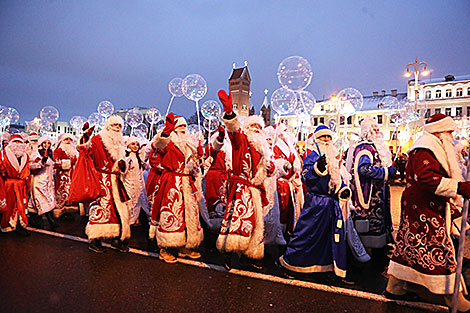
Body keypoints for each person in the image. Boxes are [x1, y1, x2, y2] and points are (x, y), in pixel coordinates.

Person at [386, 113, 470, 311]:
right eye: (449, 131)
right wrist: (458, 187)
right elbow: (426, 178)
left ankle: (395, 286)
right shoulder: (425, 148)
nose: (451, 135)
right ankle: (452, 296)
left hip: (424, 206)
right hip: (424, 208)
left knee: (409, 246)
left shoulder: (432, 146)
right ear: (439, 132)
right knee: (438, 249)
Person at [279, 125, 351, 277]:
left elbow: (337, 178)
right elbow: (306, 177)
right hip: (316, 203)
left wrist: (343, 189)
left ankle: (324, 267)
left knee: (327, 237)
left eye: (329, 137)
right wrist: (317, 168)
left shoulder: (332, 157)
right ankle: (292, 263)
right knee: (306, 234)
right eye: (322, 137)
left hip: (331, 204)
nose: (326, 140)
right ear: (316, 140)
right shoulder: (311, 156)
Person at [216, 90, 275, 266]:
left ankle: (250, 253)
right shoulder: (241, 141)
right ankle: (232, 254)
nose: (256, 130)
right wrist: (229, 113)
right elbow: (233, 131)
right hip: (242, 189)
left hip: (256, 190)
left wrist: (269, 169)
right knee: (237, 221)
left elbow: (268, 169)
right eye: (253, 127)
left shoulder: (264, 150)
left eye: (259, 128)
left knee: (254, 224)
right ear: (247, 129)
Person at [149, 113, 203, 263]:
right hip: (172, 181)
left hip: (187, 182)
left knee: (188, 215)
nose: (183, 129)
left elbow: (194, 164)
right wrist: (166, 131)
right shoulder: (168, 142)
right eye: (180, 126)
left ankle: (184, 245)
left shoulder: (189, 144)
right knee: (171, 212)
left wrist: (198, 160)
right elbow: (157, 146)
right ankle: (164, 247)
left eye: (185, 126)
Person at [78, 115, 130, 253]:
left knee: (116, 210)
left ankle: (115, 238)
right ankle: (95, 239)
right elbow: (86, 150)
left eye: (119, 126)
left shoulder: (120, 143)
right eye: (114, 125)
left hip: (115, 180)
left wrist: (122, 165)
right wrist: (85, 137)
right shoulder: (98, 139)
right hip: (101, 179)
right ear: (108, 126)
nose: (117, 128)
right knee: (100, 209)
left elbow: (123, 162)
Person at [348, 116, 395, 249]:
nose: (377, 130)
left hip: (378, 192)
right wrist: (386, 172)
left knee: (380, 219)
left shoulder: (374, 147)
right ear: (366, 131)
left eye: (377, 127)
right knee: (372, 223)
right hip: (370, 193)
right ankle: (370, 249)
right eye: (373, 128)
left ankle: (381, 243)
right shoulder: (365, 148)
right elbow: (364, 169)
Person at [273, 123, 303, 235]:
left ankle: (290, 231)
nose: (287, 133)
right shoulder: (275, 148)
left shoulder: (291, 149)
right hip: (281, 185)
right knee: (282, 211)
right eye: (284, 131)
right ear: (280, 135)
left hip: (291, 185)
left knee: (291, 209)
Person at [0, 134, 31, 235]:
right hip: (8, 184)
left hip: (21, 185)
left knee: (21, 205)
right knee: (9, 205)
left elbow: (27, 170)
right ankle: (6, 224)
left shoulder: (25, 156)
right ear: (10, 143)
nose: (17, 144)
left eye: (19, 142)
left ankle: (19, 225)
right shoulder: (3, 154)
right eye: (15, 142)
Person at [28, 136, 58, 228]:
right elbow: (32, 166)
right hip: (39, 181)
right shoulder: (36, 154)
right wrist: (41, 163)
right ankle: (51, 221)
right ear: (40, 144)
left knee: (44, 201)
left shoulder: (49, 153)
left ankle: (33, 220)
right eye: (44, 143)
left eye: (48, 143)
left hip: (48, 182)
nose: (46, 145)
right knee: (43, 200)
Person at [123, 136, 150, 226]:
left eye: (137, 144)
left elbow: (148, 149)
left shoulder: (139, 158)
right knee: (130, 207)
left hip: (139, 187)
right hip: (129, 186)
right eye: (133, 144)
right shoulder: (127, 159)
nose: (135, 146)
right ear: (128, 145)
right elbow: (123, 172)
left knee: (141, 206)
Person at [53, 133, 79, 219]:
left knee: (71, 192)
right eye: (66, 139)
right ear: (62, 141)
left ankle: (69, 210)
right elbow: (56, 163)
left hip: (72, 175)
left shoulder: (74, 151)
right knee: (61, 192)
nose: (68, 141)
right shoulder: (58, 151)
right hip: (62, 176)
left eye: (70, 139)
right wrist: (69, 163)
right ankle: (60, 210)